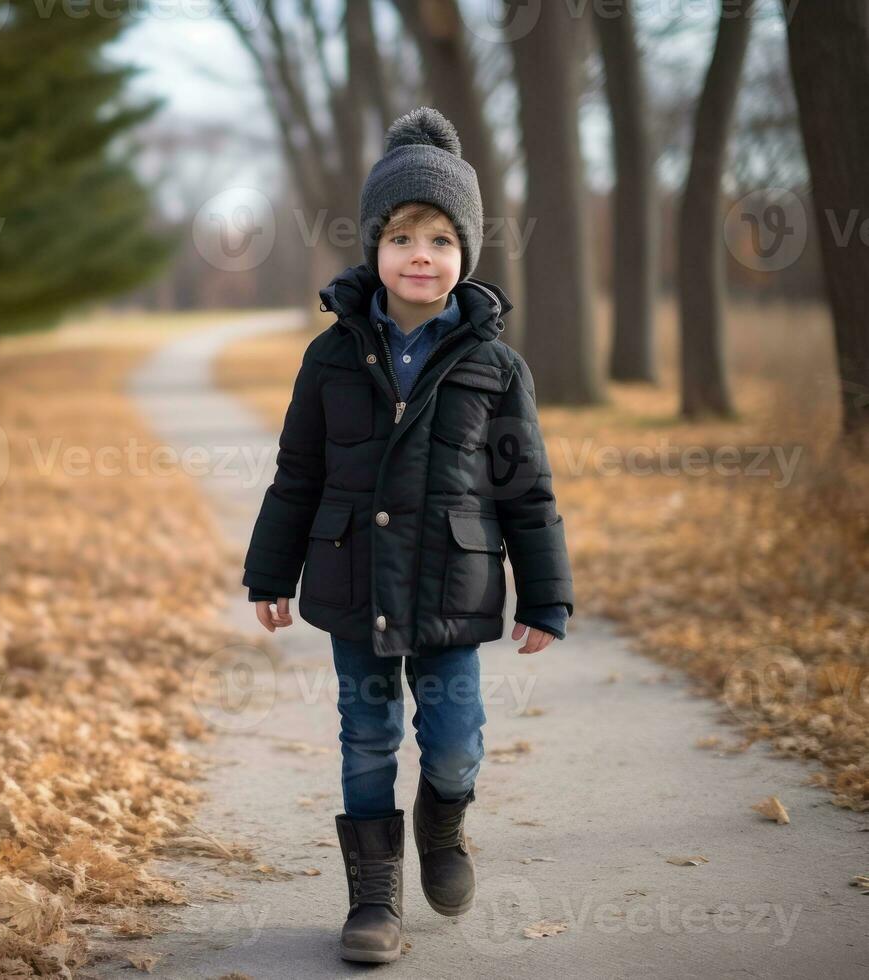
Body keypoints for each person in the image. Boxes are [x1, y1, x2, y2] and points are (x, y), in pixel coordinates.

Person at [241, 106, 575, 964]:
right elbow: (297, 475)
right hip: (353, 581)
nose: (419, 256)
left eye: (439, 239)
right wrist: (268, 574)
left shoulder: (495, 367)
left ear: (464, 255)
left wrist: (544, 593)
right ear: (374, 252)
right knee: (364, 736)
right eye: (400, 238)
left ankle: (444, 820)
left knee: (454, 741)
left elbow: (526, 490)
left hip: (450, 587)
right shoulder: (329, 357)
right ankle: (373, 902)